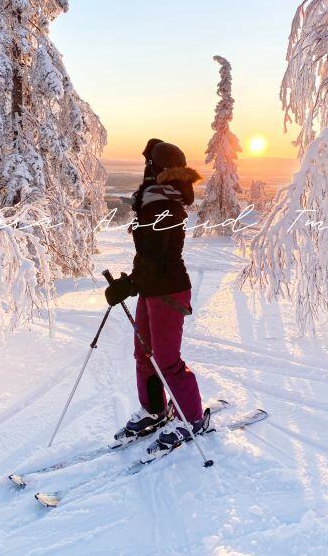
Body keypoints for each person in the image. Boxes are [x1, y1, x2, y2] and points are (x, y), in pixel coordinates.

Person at [105, 139, 206, 451]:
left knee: (166, 360)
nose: (145, 169)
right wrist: (132, 282)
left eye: (149, 164)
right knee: (143, 354)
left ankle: (193, 419)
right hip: (152, 288)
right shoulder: (152, 201)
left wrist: (130, 284)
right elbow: (147, 257)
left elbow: (159, 258)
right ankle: (155, 410)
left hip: (169, 290)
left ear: (159, 170)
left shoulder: (167, 206)